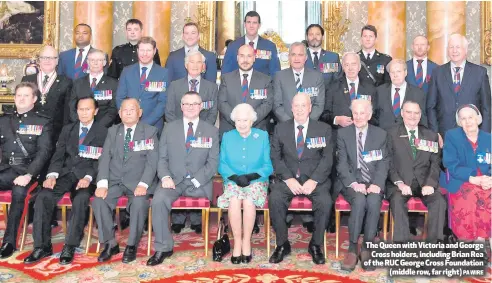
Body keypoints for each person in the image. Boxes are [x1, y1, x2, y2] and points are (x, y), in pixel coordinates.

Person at [24, 97, 108, 265]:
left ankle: (70, 245)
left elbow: (102, 160)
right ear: (76, 111)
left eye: (88, 109)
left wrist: (88, 177)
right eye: (80, 109)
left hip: (86, 177)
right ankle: (42, 246)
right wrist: (52, 175)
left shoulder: (104, 131)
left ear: (95, 111)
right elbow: (58, 155)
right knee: (43, 196)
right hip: (64, 174)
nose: (84, 113)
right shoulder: (68, 129)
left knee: (81, 199)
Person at [148, 93, 219, 265]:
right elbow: (162, 158)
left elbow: (213, 161)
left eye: (195, 104)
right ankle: (163, 247)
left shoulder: (211, 130)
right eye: (186, 104)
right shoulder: (169, 128)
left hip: (199, 183)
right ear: (181, 107)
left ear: (201, 106)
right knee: (158, 200)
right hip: (173, 180)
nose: (190, 107)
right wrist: (165, 176)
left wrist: (197, 180)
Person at [91, 98, 158, 263]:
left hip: (138, 183)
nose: (128, 113)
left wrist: (143, 184)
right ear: (119, 113)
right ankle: (110, 243)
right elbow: (105, 158)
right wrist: (102, 184)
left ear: (139, 113)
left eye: (132, 109)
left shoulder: (150, 132)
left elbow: (152, 162)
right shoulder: (113, 131)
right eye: (124, 110)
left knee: (138, 203)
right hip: (115, 181)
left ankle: (132, 245)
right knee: (99, 201)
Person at [269, 93, 333, 265]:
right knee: (275, 198)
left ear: (310, 108)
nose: (299, 109)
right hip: (288, 179)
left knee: (326, 202)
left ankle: (316, 244)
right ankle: (282, 244)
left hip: (315, 180)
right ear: (291, 108)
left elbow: (327, 159)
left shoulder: (323, 129)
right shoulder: (280, 129)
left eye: (303, 105)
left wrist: (314, 180)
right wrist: (288, 179)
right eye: (296, 106)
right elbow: (275, 158)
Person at [0, 82, 53, 259]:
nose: (21, 99)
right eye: (18, 95)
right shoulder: (4, 120)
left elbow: (44, 152)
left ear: (34, 99)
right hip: (7, 169)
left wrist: (29, 174)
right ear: (14, 98)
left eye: (26, 95)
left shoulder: (42, 122)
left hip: (29, 172)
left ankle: (9, 242)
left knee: (19, 193)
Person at [335, 99, 389, 272]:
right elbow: (341, 164)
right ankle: (352, 248)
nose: (358, 117)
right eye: (355, 113)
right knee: (359, 201)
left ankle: (367, 246)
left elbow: (384, 162)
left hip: (373, 181)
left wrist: (377, 184)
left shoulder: (381, 134)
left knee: (373, 202)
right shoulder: (343, 134)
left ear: (370, 115)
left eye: (362, 113)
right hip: (351, 181)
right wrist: (353, 183)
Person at [218, 103, 273, 264]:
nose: (241, 124)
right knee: (234, 200)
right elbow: (222, 164)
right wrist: (235, 178)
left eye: (245, 120)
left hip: (256, 181)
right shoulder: (228, 136)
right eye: (238, 120)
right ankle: (237, 243)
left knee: (249, 201)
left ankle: (247, 241)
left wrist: (252, 176)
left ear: (252, 121)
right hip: (233, 180)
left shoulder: (262, 136)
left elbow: (268, 166)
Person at [386, 100, 446, 244]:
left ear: (420, 115)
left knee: (439, 201)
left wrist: (430, 184)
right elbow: (388, 163)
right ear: (402, 113)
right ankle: (402, 247)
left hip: (424, 183)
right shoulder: (391, 134)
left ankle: (433, 247)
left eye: (416, 113)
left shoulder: (431, 135)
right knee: (397, 201)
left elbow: (435, 163)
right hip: (400, 183)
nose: (412, 116)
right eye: (408, 112)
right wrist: (399, 183)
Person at [427, 34, 491, 146]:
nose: (454, 51)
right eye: (451, 47)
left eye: (458, 47)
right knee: (447, 163)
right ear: (447, 50)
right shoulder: (438, 73)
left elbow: (487, 108)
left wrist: (484, 136)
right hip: (445, 135)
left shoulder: (479, 73)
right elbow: (431, 106)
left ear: (466, 50)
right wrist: (435, 133)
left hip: (473, 134)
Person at [441, 104, 491, 242]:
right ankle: (470, 243)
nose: (468, 121)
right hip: (462, 181)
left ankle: (482, 240)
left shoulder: (488, 137)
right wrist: (472, 179)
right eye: (463, 119)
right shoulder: (452, 136)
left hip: (487, 181)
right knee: (470, 197)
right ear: (459, 122)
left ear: (478, 119)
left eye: (471, 117)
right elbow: (450, 163)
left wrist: (489, 179)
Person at [218, 44, 273, 137]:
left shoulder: (265, 80)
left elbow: (267, 104)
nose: (245, 60)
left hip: (257, 129)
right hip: (231, 130)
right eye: (242, 56)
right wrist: (237, 120)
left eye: (249, 56)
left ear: (254, 58)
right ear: (237, 58)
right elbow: (222, 102)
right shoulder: (226, 79)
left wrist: (251, 120)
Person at [116, 36, 169, 132]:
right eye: (142, 50)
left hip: (153, 126)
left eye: (148, 50)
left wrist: (146, 123)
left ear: (154, 51)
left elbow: (163, 102)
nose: (145, 54)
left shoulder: (163, 73)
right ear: (137, 51)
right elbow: (120, 98)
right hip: (128, 125)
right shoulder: (127, 71)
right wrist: (129, 119)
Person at [21, 45, 72, 143]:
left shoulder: (66, 82)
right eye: (44, 57)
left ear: (57, 61)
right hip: (29, 131)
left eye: (51, 58)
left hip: (55, 134)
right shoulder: (27, 80)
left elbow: (67, 113)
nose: (47, 61)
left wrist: (63, 137)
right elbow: (21, 107)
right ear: (39, 60)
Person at [273, 42, 325, 123]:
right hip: (285, 125)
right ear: (289, 57)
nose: (296, 58)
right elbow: (277, 105)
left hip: (310, 125)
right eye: (293, 54)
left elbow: (319, 105)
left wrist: (307, 122)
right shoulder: (279, 76)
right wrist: (291, 124)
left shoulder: (317, 77)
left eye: (300, 55)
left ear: (306, 57)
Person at [321, 52, 376, 128]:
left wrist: (364, 121)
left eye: (354, 64)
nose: (350, 68)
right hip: (339, 134)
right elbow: (324, 115)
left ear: (359, 67)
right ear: (343, 67)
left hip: (364, 134)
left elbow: (376, 115)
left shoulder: (370, 88)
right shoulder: (332, 87)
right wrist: (336, 120)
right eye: (347, 65)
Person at [165, 50, 218, 127]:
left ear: (203, 66)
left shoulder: (212, 88)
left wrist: (202, 129)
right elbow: (169, 112)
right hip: (178, 131)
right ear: (186, 65)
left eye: (199, 62)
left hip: (203, 131)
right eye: (192, 62)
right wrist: (181, 130)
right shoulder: (174, 86)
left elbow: (213, 114)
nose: (195, 66)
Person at [69, 48, 118, 128]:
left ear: (104, 62)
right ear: (87, 62)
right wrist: (81, 124)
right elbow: (72, 108)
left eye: (99, 60)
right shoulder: (78, 83)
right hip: (80, 127)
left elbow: (112, 110)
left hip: (104, 128)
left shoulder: (113, 84)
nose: (95, 63)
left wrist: (97, 127)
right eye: (92, 60)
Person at [222, 11, 280, 77]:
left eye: (254, 23)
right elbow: (225, 72)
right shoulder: (233, 46)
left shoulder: (269, 47)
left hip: (262, 86)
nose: (251, 26)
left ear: (259, 25)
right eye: (248, 22)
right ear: (244, 24)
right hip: (237, 86)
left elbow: (275, 74)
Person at [374, 59, 427, 130]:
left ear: (405, 72)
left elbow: (422, 120)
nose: (395, 75)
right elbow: (374, 117)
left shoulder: (418, 93)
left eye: (398, 71)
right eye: (392, 72)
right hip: (384, 136)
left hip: (406, 138)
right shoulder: (379, 91)